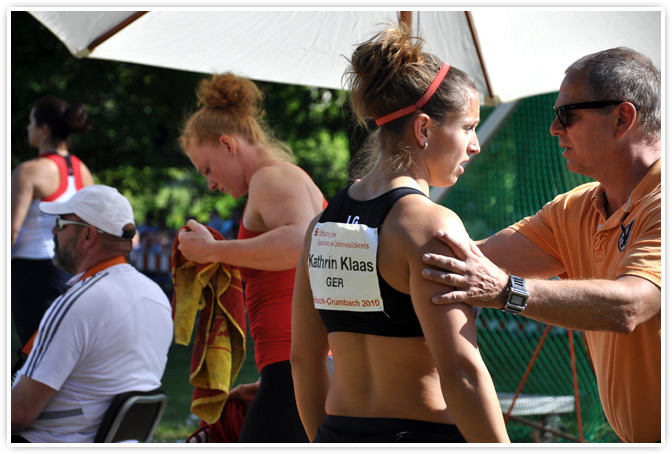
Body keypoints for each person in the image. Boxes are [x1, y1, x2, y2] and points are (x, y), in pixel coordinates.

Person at [421, 47, 660, 443]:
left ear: (623, 118)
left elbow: (630, 305)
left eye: (567, 115)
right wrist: (364, 228)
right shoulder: (576, 208)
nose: (553, 128)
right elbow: (464, 261)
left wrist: (505, 291)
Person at [290, 25, 509, 443]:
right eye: (467, 127)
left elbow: (303, 360)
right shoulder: (428, 225)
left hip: (339, 432)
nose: (475, 144)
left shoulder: (320, 227)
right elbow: (460, 371)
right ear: (424, 129)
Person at [176, 72, 327, 443]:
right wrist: (266, 381)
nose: (210, 184)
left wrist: (215, 250)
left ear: (228, 145)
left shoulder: (270, 178)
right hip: (294, 363)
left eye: (207, 169)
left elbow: (300, 242)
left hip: (296, 363)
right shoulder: (281, 178)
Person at [11, 185, 173, 443]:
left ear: (87, 236)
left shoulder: (79, 301)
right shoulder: (157, 298)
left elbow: (17, 414)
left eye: (61, 224)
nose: (54, 231)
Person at [11, 96, 95, 346]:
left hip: (34, 271)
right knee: (65, 353)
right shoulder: (84, 171)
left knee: (35, 354)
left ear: (43, 128)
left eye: (30, 122)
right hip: (72, 272)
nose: (28, 128)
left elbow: (11, 229)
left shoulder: (29, 171)